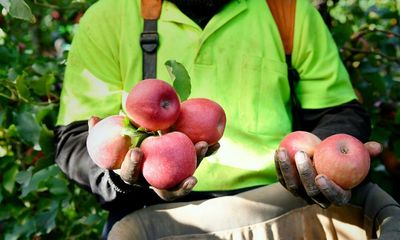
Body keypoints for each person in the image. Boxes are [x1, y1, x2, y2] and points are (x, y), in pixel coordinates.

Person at [54, 0, 400, 239]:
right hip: (153, 212)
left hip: (279, 203)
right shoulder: (110, 16)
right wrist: (121, 178)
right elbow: (74, 141)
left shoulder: (287, 12)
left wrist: (326, 159)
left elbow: (337, 110)